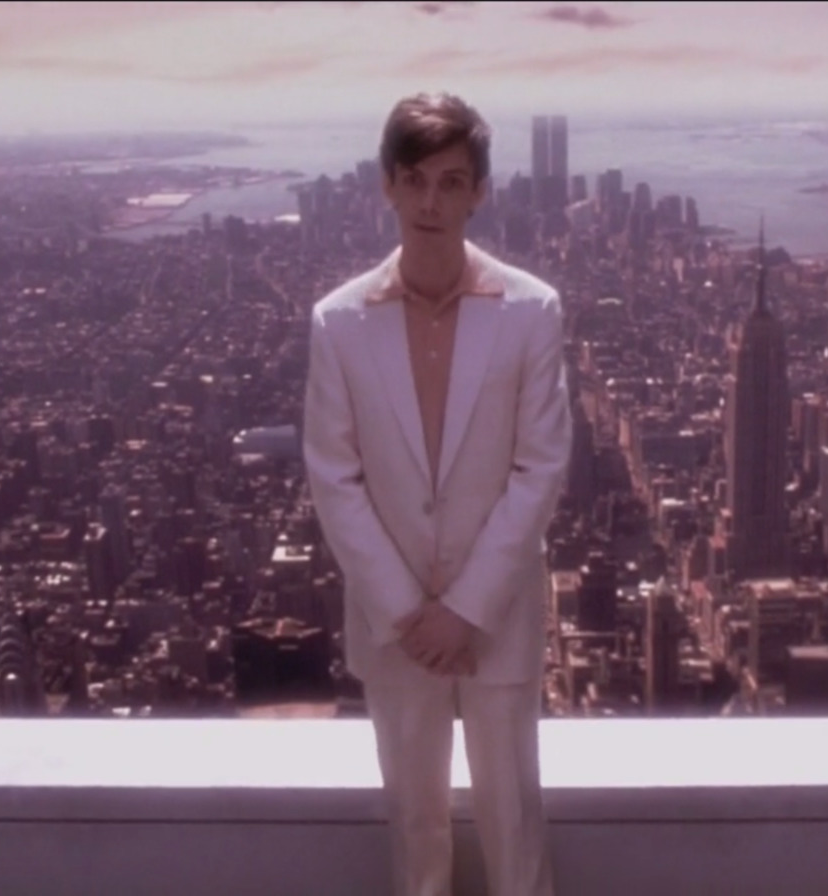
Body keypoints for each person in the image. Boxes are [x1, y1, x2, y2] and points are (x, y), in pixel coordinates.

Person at [302, 92, 571, 896]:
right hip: (397, 632)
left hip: (495, 620)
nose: (429, 203)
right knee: (416, 833)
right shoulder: (337, 323)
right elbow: (333, 477)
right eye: (414, 180)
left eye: (451, 183)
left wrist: (465, 608)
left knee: (514, 827)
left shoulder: (532, 311)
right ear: (385, 185)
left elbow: (541, 466)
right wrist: (407, 612)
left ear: (480, 192)